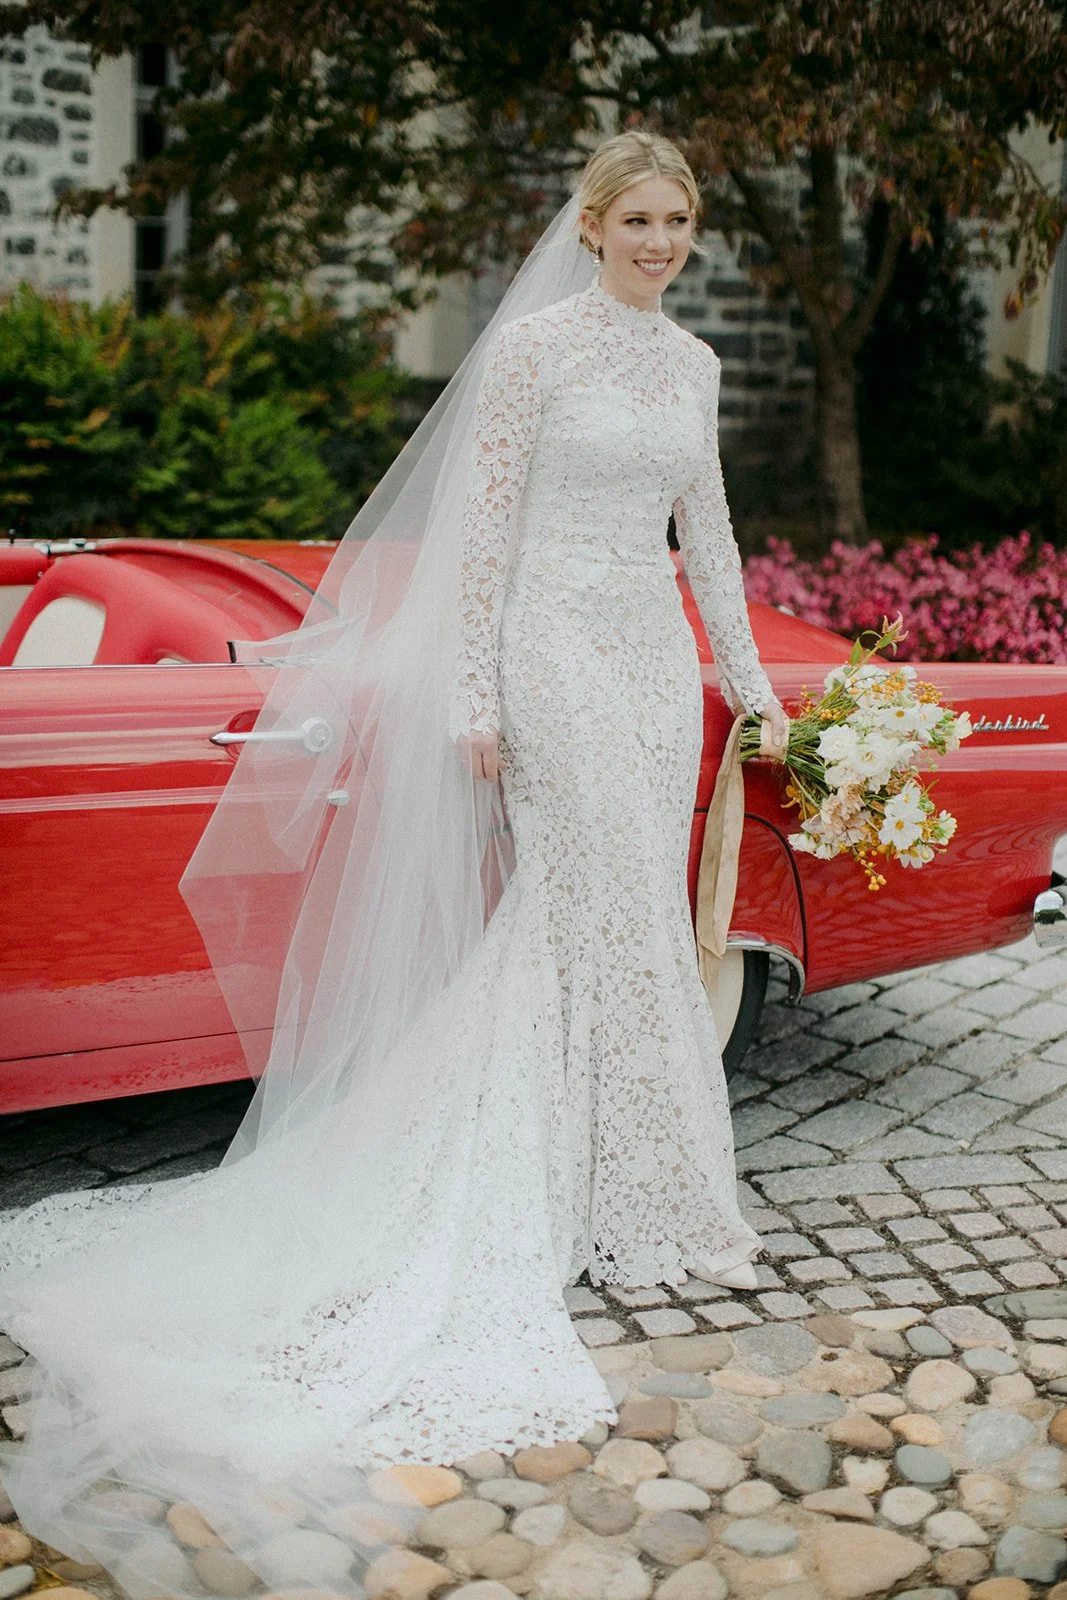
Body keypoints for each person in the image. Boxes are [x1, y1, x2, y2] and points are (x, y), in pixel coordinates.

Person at [0, 130, 785, 1600]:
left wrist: (746, 681)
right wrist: (476, 701)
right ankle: (564, 1197)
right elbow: (479, 538)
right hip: (547, 658)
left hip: (645, 660)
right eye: (638, 218)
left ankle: (654, 1200)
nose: (661, 241)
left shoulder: (692, 366)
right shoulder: (539, 351)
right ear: (592, 222)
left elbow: (714, 536)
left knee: (641, 923)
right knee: (582, 911)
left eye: (679, 220)